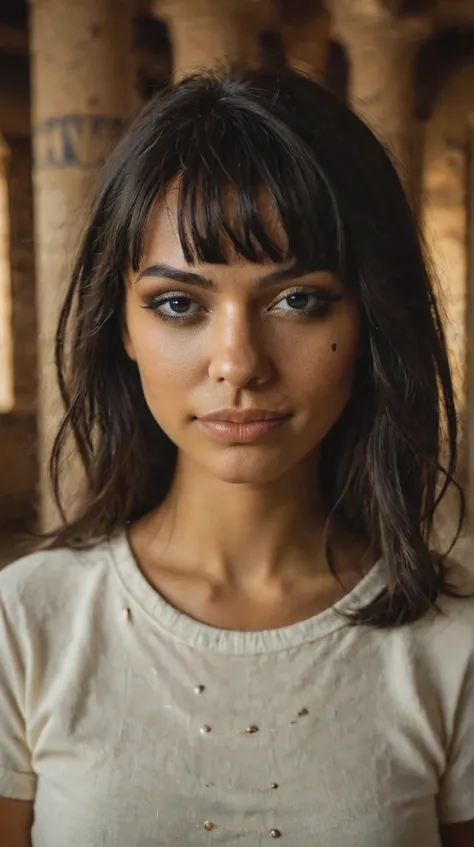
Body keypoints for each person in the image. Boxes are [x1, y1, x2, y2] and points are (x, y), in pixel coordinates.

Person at [0, 67, 473, 847]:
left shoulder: (450, 641)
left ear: (368, 318)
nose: (238, 362)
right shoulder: (27, 626)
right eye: (179, 303)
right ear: (122, 327)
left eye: (299, 299)